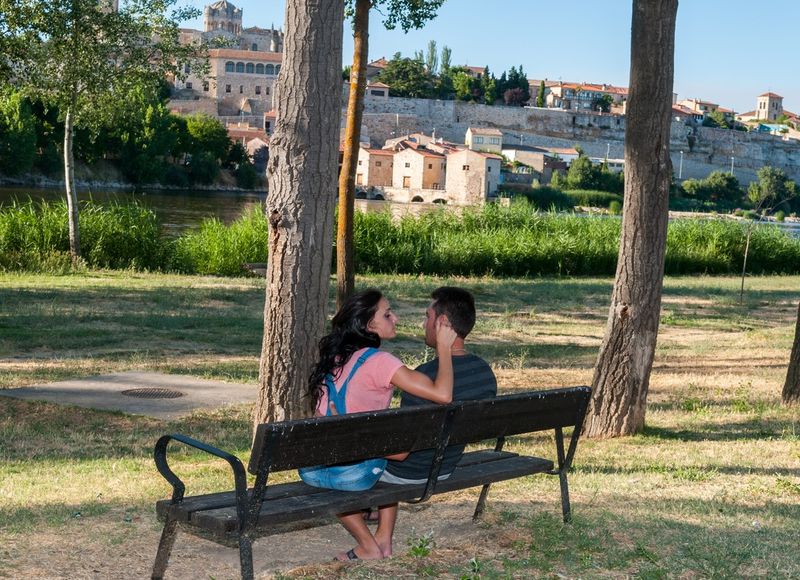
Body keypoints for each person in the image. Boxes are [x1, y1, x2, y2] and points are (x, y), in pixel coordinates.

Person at [298, 288, 458, 561]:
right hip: (358, 473)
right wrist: (444, 348)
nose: (395, 318)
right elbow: (443, 395)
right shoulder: (381, 362)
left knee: (382, 444)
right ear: (369, 325)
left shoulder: (333, 360)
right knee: (390, 450)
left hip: (315, 469)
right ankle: (374, 544)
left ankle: (376, 542)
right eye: (387, 314)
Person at [370, 286, 497, 558]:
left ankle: (374, 529)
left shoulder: (424, 378)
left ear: (442, 324)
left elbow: (401, 451)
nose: (423, 323)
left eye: (427, 317)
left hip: (409, 474)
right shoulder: (484, 373)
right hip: (446, 468)